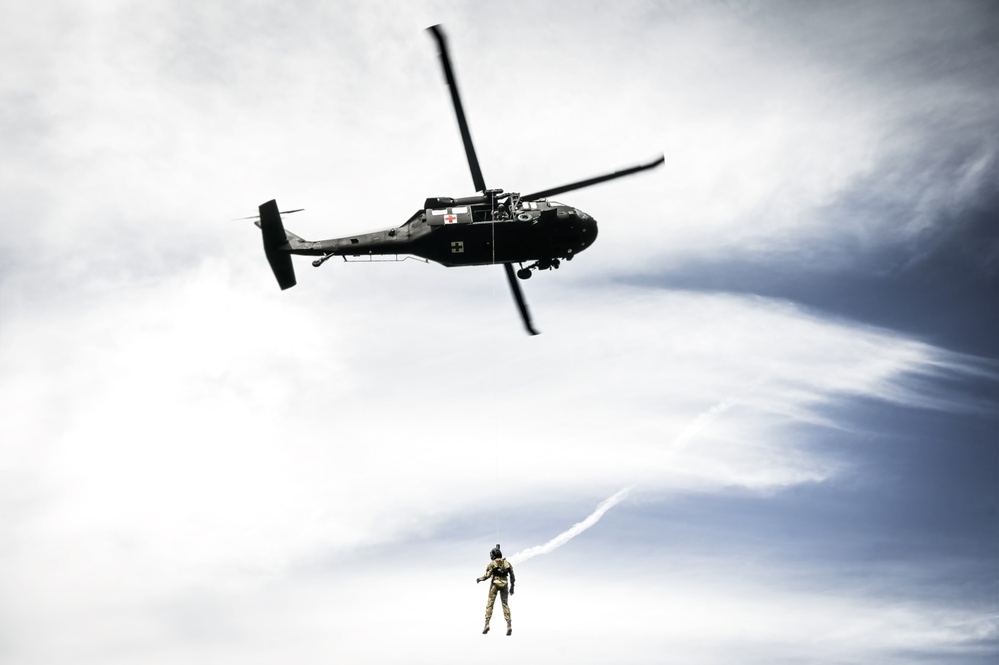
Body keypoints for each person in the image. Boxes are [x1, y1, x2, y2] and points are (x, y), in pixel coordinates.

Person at [476, 544, 516, 635]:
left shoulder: (492, 563)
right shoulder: (507, 563)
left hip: (495, 584)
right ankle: (509, 625)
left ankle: (487, 624)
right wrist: (512, 587)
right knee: (505, 604)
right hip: (505, 584)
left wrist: (480, 579)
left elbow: (487, 576)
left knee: (490, 604)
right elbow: (512, 576)